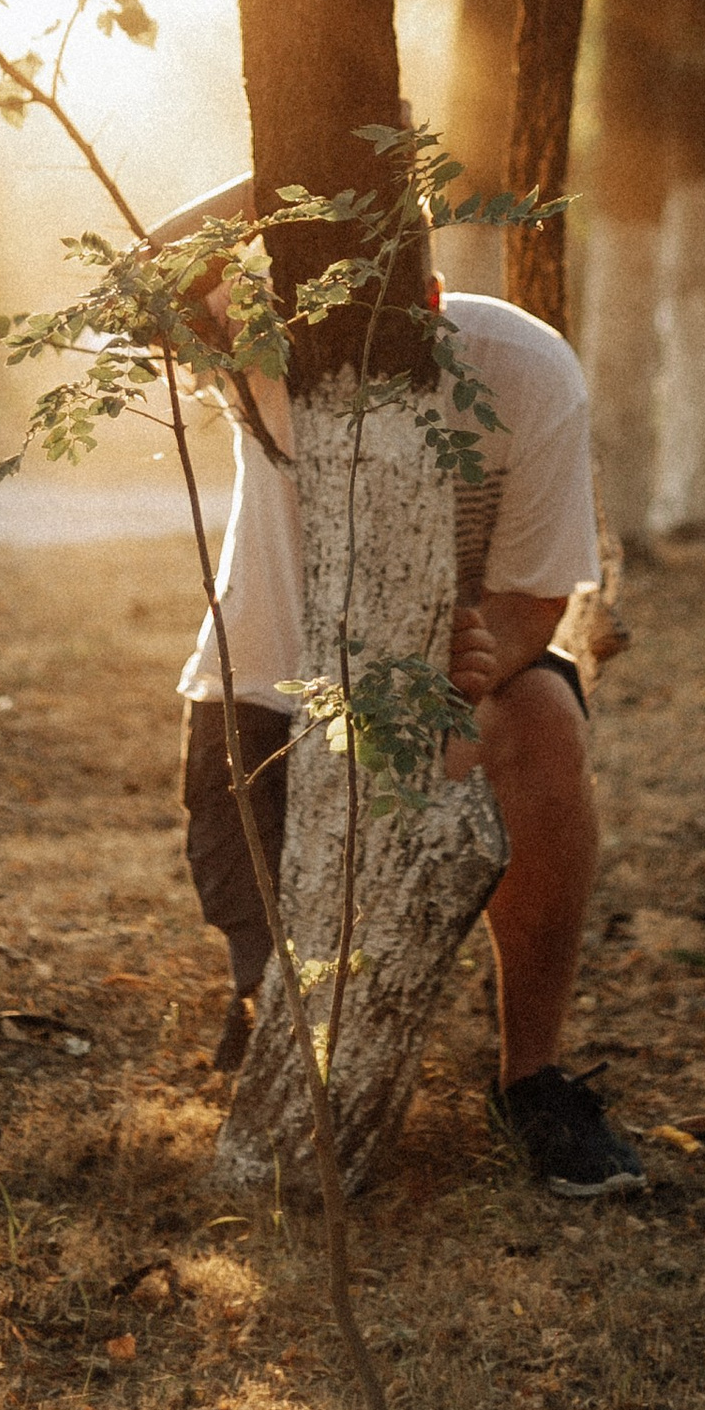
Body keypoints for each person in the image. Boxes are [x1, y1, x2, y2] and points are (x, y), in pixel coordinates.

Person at [157, 178, 644, 1200]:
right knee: (302, 1048)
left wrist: (471, 668)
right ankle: (262, 1000)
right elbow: (140, 286)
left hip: (445, 692)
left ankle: (532, 1080)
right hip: (269, 705)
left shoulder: (523, 370)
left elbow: (533, 595)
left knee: (544, 720)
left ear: (431, 296)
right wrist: (290, 173)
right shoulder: (267, 349)